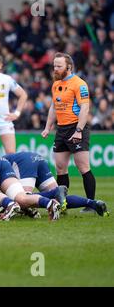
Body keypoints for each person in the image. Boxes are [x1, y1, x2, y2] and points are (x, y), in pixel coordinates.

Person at [41, 52, 96, 212]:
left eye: (59, 66)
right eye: (54, 66)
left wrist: (79, 130)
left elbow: (85, 107)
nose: (55, 69)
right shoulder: (55, 84)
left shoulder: (79, 84)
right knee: (60, 168)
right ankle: (62, 204)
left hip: (76, 127)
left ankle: (90, 204)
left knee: (83, 166)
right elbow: (54, 106)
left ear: (68, 67)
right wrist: (47, 126)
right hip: (62, 129)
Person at [3, 151, 109, 217]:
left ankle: (56, 191)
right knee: (59, 199)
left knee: (24, 199)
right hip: (37, 158)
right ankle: (93, 203)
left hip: (24, 162)